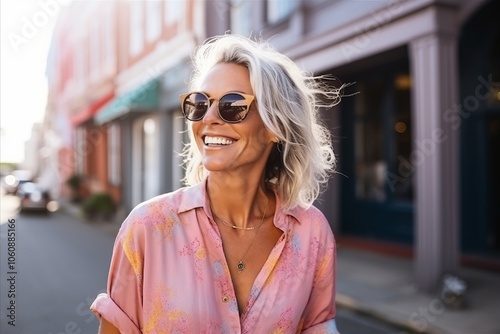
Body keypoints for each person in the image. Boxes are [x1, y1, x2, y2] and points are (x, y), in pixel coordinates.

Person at [91, 34, 342, 333]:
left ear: (275, 127)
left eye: (232, 105)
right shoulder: (147, 227)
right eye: (199, 103)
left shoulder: (312, 233)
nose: (208, 118)